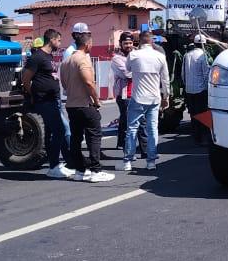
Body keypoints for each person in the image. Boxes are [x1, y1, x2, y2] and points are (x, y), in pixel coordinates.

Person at [20, 28, 76, 180]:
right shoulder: (37, 57)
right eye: (59, 40)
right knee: (59, 131)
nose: (60, 43)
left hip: (53, 98)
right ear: (52, 40)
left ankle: (55, 165)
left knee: (52, 132)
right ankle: (54, 166)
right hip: (44, 100)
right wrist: (33, 94)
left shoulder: (49, 56)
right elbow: (26, 78)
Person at [60, 27, 114, 182]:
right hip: (85, 103)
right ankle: (96, 171)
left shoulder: (66, 61)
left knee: (76, 138)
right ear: (87, 44)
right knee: (94, 136)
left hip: (71, 105)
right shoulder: (83, 59)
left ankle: (79, 170)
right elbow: (89, 82)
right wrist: (96, 100)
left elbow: (64, 83)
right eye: (91, 43)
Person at [124, 29, 171, 172]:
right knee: (152, 129)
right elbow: (165, 79)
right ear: (152, 40)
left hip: (137, 96)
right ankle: (151, 161)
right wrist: (166, 96)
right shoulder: (160, 56)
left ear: (139, 40)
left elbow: (128, 69)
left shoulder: (133, 55)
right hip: (154, 97)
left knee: (132, 128)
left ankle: (128, 161)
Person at [182, 33, 212, 144]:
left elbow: (183, 74)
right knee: (203, 114)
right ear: (204, 44)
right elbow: (206, 74)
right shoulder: (203, 56)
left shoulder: (186, 55)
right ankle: (204, 138)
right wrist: (208, 89)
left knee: (193, 115)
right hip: (201, 90)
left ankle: (197, 138)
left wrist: (186, 86)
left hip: (189, 90)